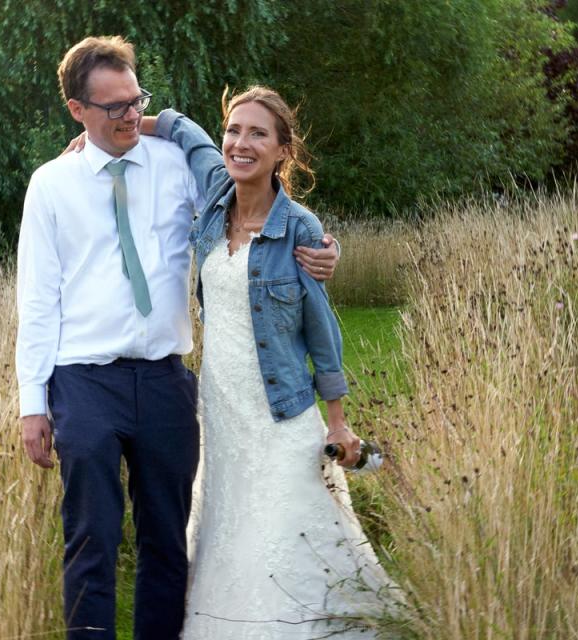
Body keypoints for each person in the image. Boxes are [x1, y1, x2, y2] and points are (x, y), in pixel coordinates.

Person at [16, 37, 338, 640]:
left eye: (136, 100)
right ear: (76, 110)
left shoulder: (175, 168)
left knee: (168, 536)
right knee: (92, 533)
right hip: (83, 380)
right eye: (111, 107)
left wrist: (320, 247)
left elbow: (255, 208)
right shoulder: (51, 186)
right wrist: (33, 403)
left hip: (166, 379)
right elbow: (36, 299)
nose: (129, 115)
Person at [150, 88, 401, 638]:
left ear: (283, 149)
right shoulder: (216, 194)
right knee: (230, 525)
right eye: (234, 130)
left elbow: (323, 332)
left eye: (258, 133)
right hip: (219, 410)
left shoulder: (301, 230)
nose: (241, 143)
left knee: (285, 529)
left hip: (282, 410)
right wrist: (112, 126)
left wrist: (337, 422)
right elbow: (178, 127)